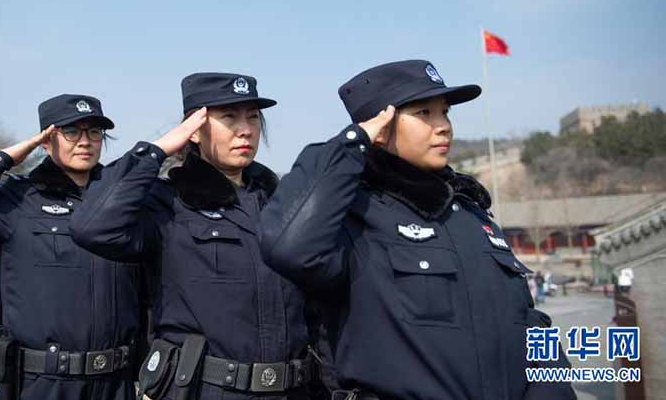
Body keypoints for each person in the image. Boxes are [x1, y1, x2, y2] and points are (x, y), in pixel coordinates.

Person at [259, 60, 576, 400]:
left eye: (445, 112)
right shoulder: (355, 219)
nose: (444, 127)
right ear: (380, 126)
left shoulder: (472, 216)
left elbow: (529, 323)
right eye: (424, 113)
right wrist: (353, 142)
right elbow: (287, 245)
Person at [70, 73, 315, 400]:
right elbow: (91, 226)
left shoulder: (280, 203)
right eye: (229, 117)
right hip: (203, 389)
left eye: (253, 117)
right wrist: (156, 151)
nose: (245, 129)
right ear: (195, 129)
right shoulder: (169, 202)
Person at [0, 95, 139, 400]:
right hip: (44, 381)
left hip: (115, 381)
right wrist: (3, 159)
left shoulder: (118, 199)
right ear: (46, 140)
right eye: (71, 132)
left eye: (94, 132)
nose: (85, 142)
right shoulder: (15, 199)